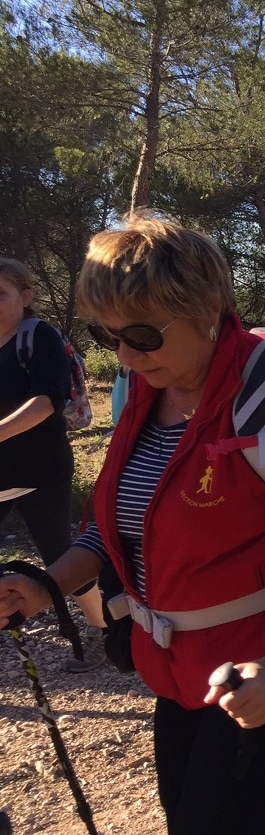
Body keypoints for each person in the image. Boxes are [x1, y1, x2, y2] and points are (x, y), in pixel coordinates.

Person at [0, 217, 265, 835]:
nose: (124, 354)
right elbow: (113, 528)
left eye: (143, 334)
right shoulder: (148, 388)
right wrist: (46, 585)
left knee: (212, 825)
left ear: (205, 310)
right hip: (180, 659)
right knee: (195, 819)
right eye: (107, 335)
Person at [0, 257, 107, 672]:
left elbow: (48, 400)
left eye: (1, 294)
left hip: (39, 473)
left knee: (60, 558)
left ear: (25, 297)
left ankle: (100, 630)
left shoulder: (39, 336)